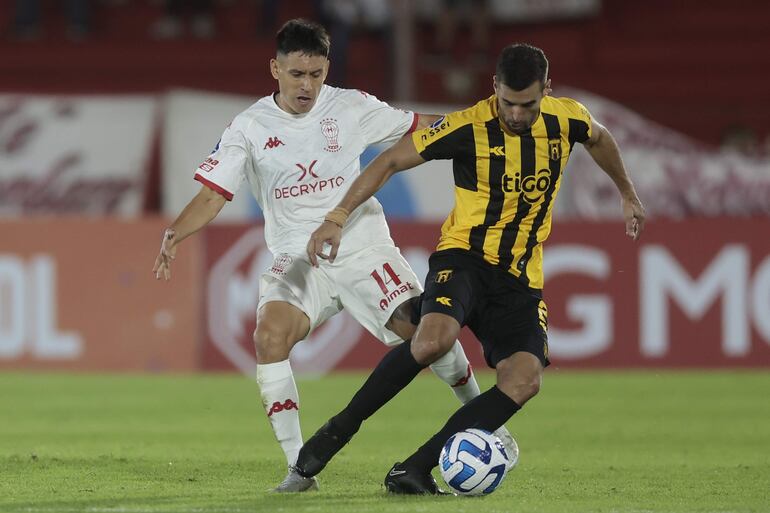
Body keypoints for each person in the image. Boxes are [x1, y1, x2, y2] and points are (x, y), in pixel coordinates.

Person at [152, 18, 514, 493]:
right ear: (275, 69)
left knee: (430, 337)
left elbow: (421, 127)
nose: (307, 85)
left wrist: (482, 127)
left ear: (327, 69)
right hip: (299, 259)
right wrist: (176, 233)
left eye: (316, 74)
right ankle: (297, 469)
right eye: (297, 74)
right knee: (269, 337)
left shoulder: (352, 107)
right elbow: (213, 194)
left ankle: (483, 418)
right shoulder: (250, 126)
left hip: (363, 247)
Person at [296, 42, 646, 494]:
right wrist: (337, 217)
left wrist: (627, 193)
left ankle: (415, 469)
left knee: (524, 380)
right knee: (432, 341)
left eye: (528, 105)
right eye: (508, 103)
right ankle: (338, 431)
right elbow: (388, 162)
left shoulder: (567, 117)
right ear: (494, 87)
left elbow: (599, 137)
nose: (516, 115)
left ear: (547, 91)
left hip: (519, 279)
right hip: (463, 259)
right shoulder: (467, 126)